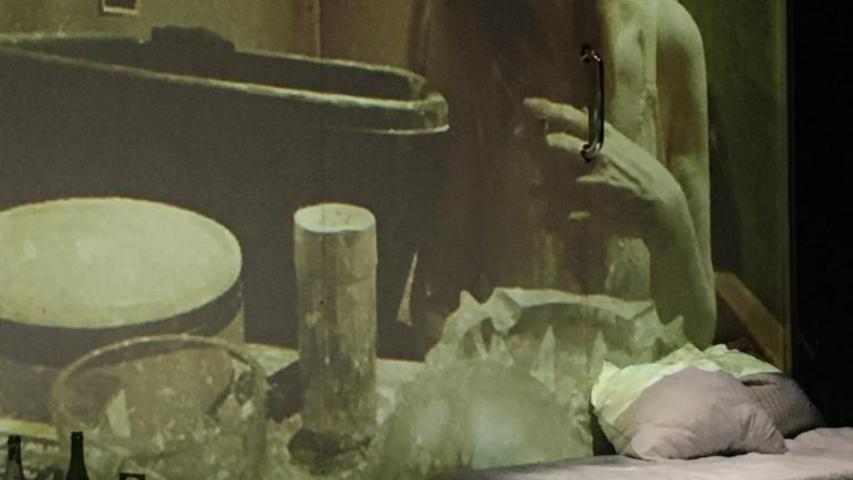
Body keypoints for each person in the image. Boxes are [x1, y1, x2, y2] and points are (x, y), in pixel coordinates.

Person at [410, 0, 716, 352]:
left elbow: (697, 333)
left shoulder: (670, 40)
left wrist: (665, 209)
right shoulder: (463, 29)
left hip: (642, 382)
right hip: (502, 380)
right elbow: (436, 305)